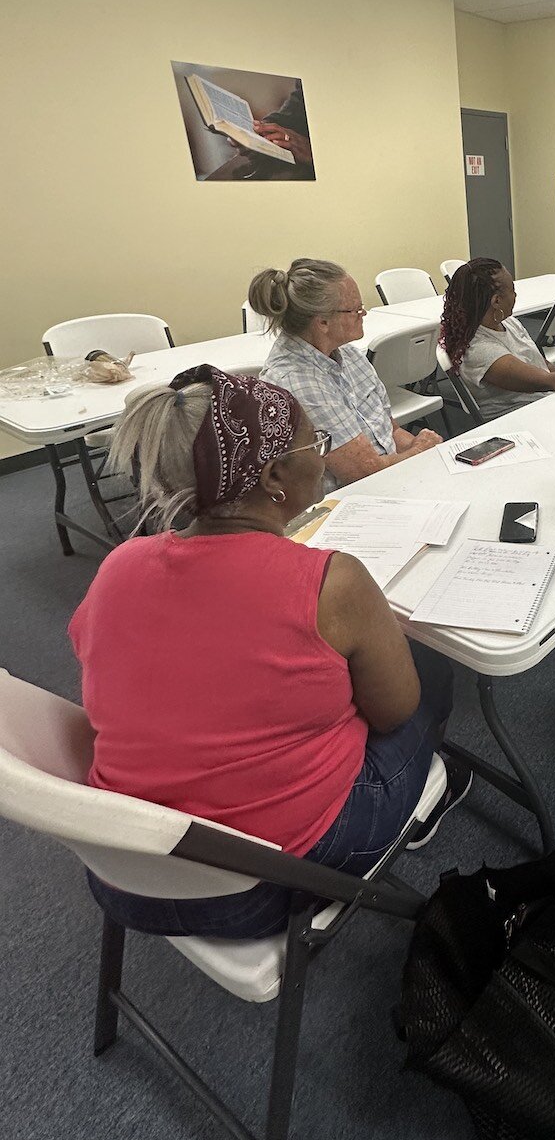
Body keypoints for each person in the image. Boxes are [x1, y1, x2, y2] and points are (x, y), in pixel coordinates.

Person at [69, 366, 468, 941]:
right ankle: (418, 811)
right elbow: (395, 713)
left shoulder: (118, 566)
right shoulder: (332, 581)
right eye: (317, 444)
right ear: (276, 474)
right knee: (430, 675)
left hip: (124, 877)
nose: (323, 456)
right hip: (263, 888)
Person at [251, 258, 440, 488]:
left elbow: (391, 432)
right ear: (322, 323)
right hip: (350, 499)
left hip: (389, 476)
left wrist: (430, 456)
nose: (364, 314)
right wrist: (420, 450)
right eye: (356, 310)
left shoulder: (348, 355)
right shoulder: (296, 382)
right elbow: (363, 472)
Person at [442, 259, 555, 419]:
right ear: (496, 301)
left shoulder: (508, 322)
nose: (515, 295)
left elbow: (543, 365)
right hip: (520, 418)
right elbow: (545, 381)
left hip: (543, 401)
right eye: (512, 289)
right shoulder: (480, 350)